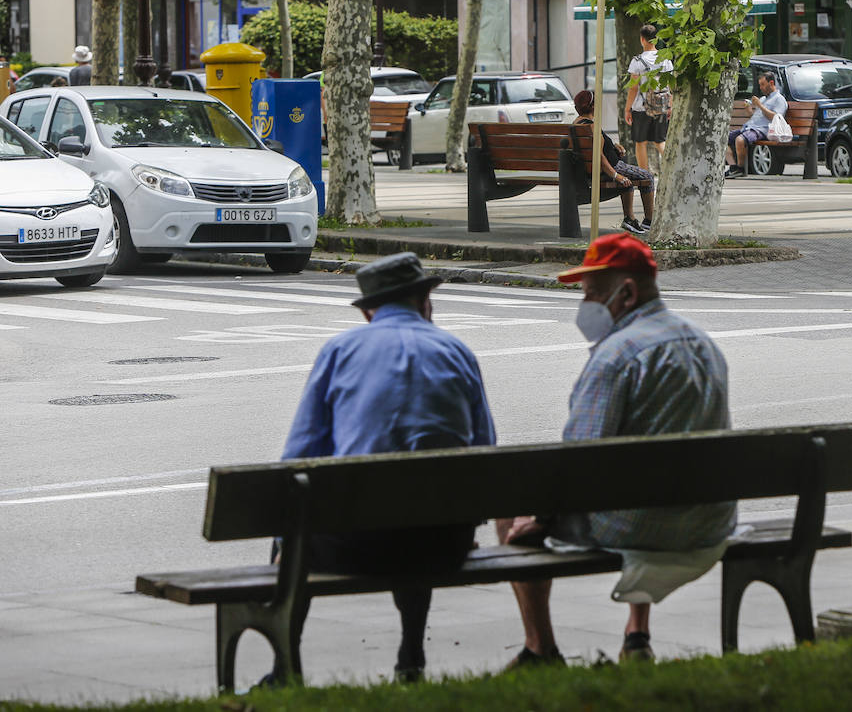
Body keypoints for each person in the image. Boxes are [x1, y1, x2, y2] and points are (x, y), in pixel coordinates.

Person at [499, 233, 734, 668]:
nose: (584, 307)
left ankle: (539, 648)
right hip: (709, 521)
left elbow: (579, 460)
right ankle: (637, 632)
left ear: (626, 293)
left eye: (591, 295)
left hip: (639, 526)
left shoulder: (615, 357)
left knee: (508, 507)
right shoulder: (704, 344)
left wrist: (539, 518)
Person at [278, 252, 496, 683]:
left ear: (368, 312)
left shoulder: (340, 351)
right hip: (443, 545)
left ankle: (285, 665)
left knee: (293, 526)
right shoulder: (458, 352)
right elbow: (484, 451)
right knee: (418, 509)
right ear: (425, 301)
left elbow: (299, 457)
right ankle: (411, 653)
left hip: (356, 547)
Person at [574, 90, 655, 235]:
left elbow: (599, 147)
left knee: (631, 178)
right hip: (612, 166)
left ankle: (629, 219)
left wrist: (614, 146)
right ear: (593, 107)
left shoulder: (578, 124)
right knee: (647, 176)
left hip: (595, 168)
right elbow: (598, 156)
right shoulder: (591, 127)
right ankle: (649, 220)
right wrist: (616, 175)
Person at [623, 24, 673, 172]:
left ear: (642, 40)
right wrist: (670, 105)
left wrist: (627, 109)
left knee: (641, 142)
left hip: (641, 107)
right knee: (660, 142)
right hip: (661, 106)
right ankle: (671, 170)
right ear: (656, 39)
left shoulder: (637, 61)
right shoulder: (666, 60)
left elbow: (633, 87)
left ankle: (644, 176)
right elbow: (671, 86)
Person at [724, 70, 786, 178]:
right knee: (722, 139)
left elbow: (776, 117)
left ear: (771, 83)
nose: (761, 88)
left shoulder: (779, 99)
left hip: (762, 130)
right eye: (760, 85)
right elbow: (757, 117)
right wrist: (749, 110)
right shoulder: (763, 98)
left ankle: (740, 168)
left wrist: (760, 106)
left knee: (740, 140)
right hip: (750, 127)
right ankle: (733, 167)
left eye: (763, 85)